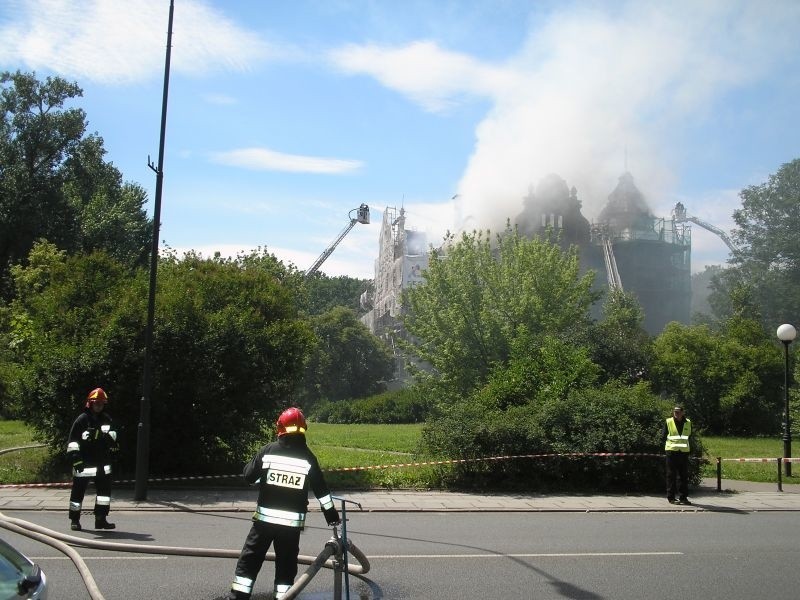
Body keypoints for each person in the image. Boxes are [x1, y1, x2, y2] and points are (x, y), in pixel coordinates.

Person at [226, 407, 340, 600]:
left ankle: (239, 596)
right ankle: (282, 598)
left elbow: (249, 476)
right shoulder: (308, 457)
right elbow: (322, 491)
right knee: (286, 567)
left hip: (263, 524)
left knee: (250, 559)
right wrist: (332, 517)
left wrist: (262, 477)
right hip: (290, 528)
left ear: (280, 428)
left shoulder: (268, 451)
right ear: (303, 429)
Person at [66, 387, 119, 531]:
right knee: (78, 493)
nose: (99, 406)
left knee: (104, 495)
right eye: (96, 403)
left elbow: (113, 439)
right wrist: (76, 459)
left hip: (102, 464)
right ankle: (75, 520)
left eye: (101, 404)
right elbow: (73, 442)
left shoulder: (107, 419)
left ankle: (101, 519)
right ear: (90, 403)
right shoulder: (82, 420)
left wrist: (100, 437)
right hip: (84, 464)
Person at [664, 405, 692, 505]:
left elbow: (689, 436)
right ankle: (671, 498)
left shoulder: (688, 422)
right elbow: (664, 436)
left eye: (678, 411)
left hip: (683, 452)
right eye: (675, 411)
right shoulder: (668, 421)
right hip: (672, 451)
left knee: (683, 476)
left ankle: (683, 497)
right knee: (671, 475)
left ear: (683, 412)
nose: (676, 413)